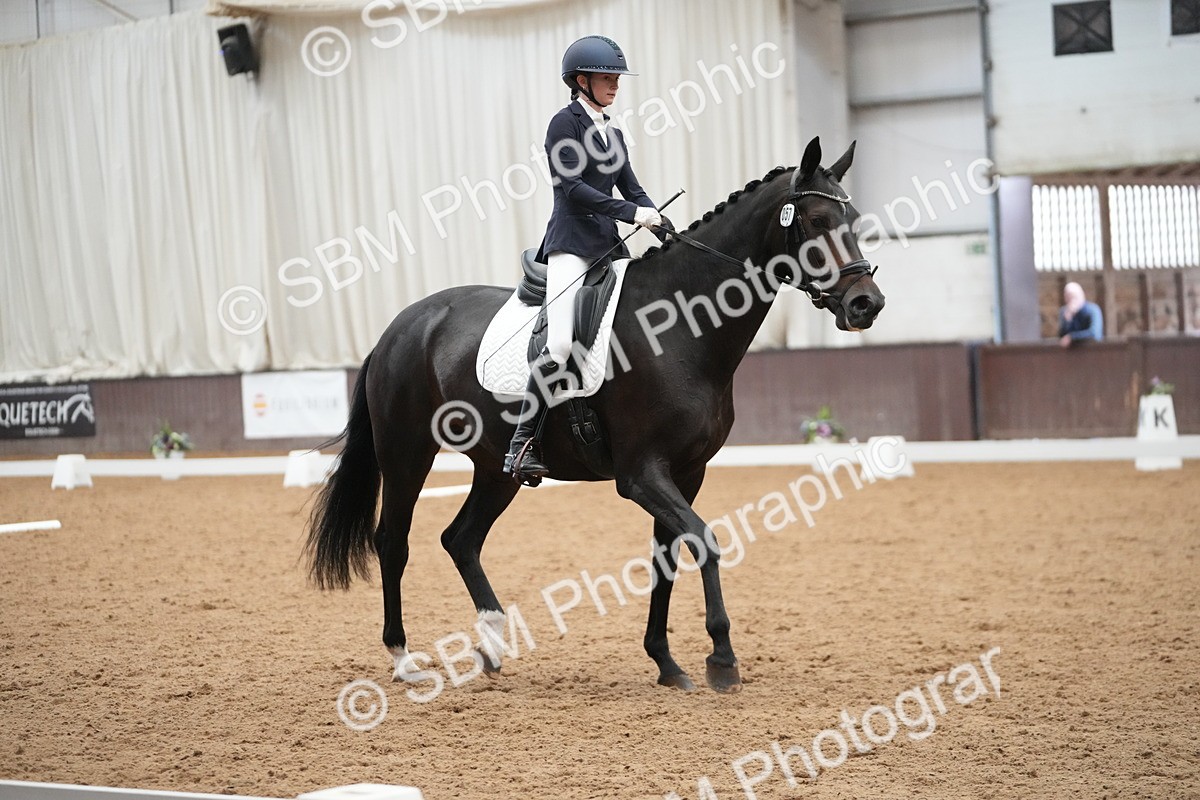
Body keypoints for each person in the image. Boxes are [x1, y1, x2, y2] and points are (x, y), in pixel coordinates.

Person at [503, 34, 668, 484]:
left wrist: (658, 219)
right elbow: (573, 189)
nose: (615, 85)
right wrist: (632, 213)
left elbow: (631, 188)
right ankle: (522, 443)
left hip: (609, 247)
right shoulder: (564, 124)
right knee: (559, 345)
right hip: (571, 244)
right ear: (581, 81)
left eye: (617, 78)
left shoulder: (614, 133)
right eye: (606, 78)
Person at [1057, 281, 1104, 348]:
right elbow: (1062, 337)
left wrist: (1072, 337)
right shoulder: (1065, 312)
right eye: (1067, 297)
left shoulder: (1093, 310)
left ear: (1081, 295)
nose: (1071, 300)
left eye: (1073, 296)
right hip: (1072, 353)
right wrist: (1067, 321)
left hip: (1092, 350)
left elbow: (1095, 334)